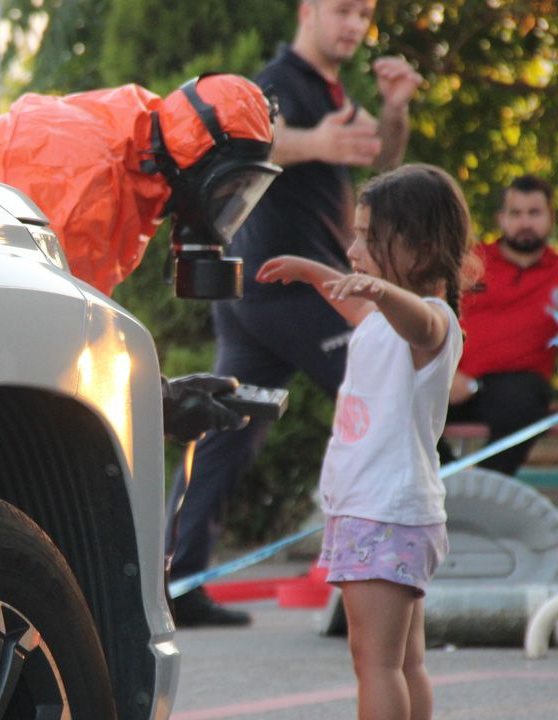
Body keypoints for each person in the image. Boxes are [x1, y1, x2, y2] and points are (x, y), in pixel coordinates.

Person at [165, 0, 424, 627]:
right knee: (389, 407)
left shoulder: (327, 89)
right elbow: (241, 136)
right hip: (294, 290)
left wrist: (394, 109)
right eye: (342, 11)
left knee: (227, 435)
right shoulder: (278, 81)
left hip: (265, 298)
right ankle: (366, 594)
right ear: (308, 11)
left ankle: (177, 585)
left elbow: (382, 161)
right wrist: (317, 141)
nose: (355, 25)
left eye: (364, 14)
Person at [0, 75, 280, 442]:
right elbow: (54, 342)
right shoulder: (91, 183)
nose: (230, 205)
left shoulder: (133, 144)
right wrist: (159, 402)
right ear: (199, 164)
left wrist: (159, 393)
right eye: (228, 188)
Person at [258, 163, 472, 720]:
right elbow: (356, 303)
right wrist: (311, 273)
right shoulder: (381, 315)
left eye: (368, 237)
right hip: (384, 511)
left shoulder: (434, 320)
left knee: (374, 662)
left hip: (386, 512)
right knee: (403, 661)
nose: (353, 248)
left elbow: (418, 324)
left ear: (421, 251)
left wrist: (379, 288)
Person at [443, 175, 558, 476]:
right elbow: (431, 314)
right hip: (450, 379)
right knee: (403, 401)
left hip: (514, 391)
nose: (525, 222)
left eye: (534, 213)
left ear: (550, 217)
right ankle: (445, 483)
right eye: (515, 213)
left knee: (526, 403)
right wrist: (447, 372)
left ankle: (481, 495)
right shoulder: (470, 263)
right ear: (501, 219)